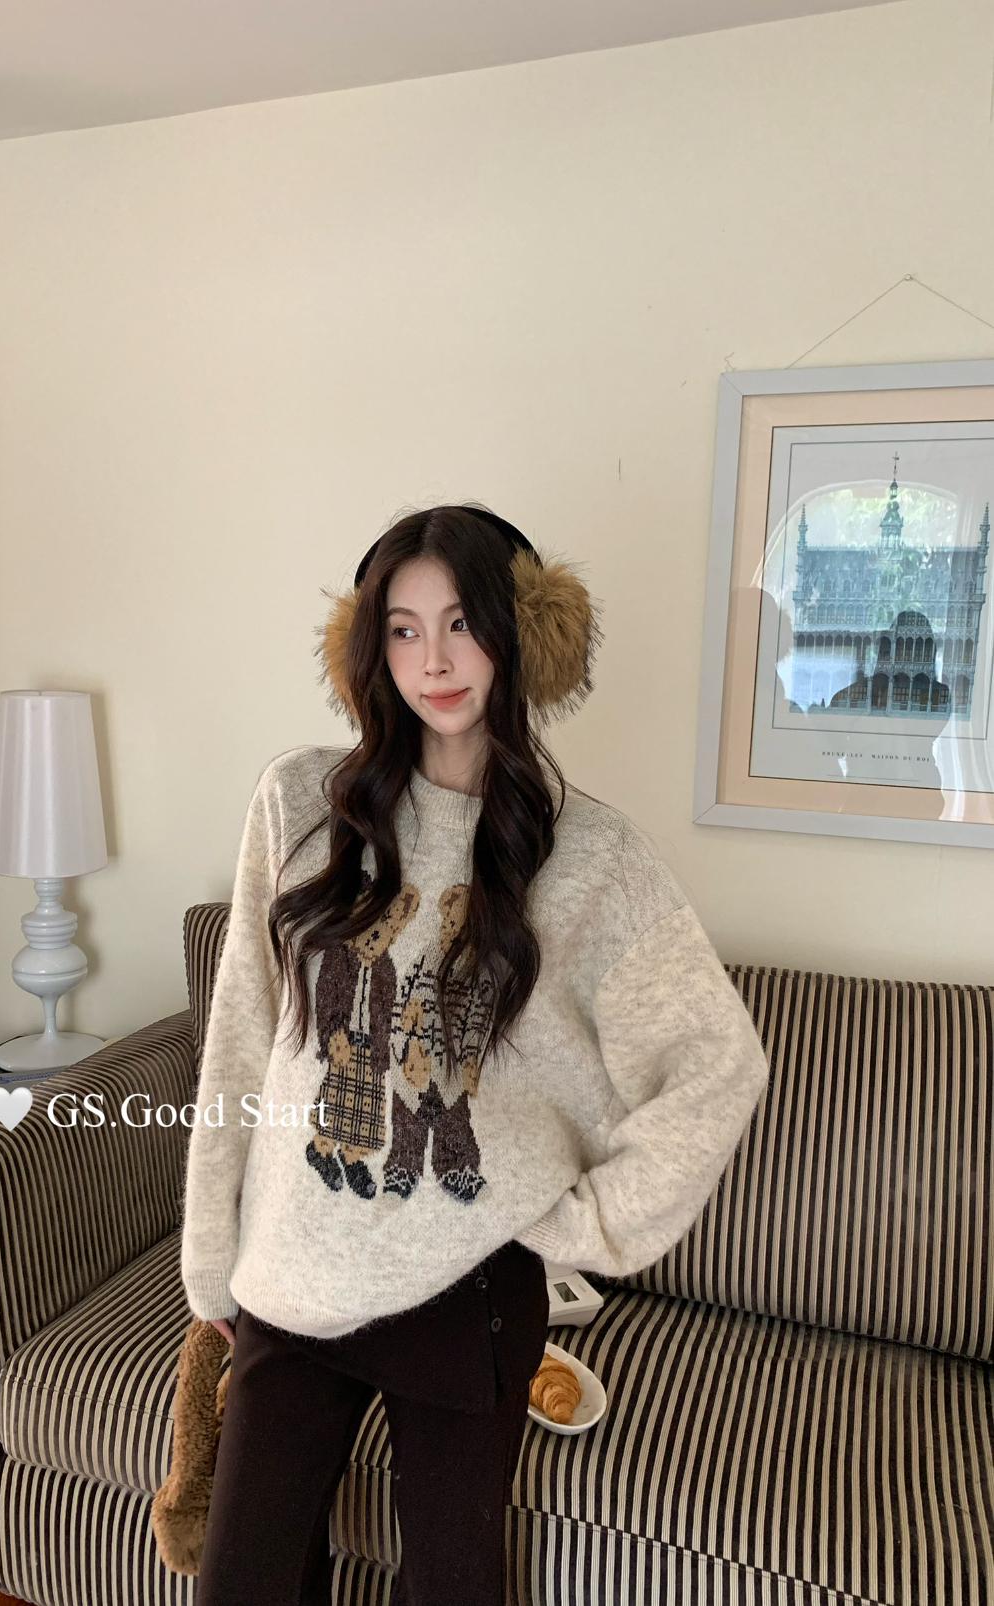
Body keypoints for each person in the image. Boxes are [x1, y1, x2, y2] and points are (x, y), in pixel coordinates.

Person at [180, 503, 771, 1605]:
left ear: (520, 634)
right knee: (242, 1583)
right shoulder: (299, 803)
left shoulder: (592, 858)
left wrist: (584, 1225)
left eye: (461, 623)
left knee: (452, 1588)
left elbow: (715, 1065)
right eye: (403, 630)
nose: (435, 662)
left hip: (469, 1293)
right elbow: (242, 1037)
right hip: (293, 1271)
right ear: (370, 648)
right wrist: (210, 1251)